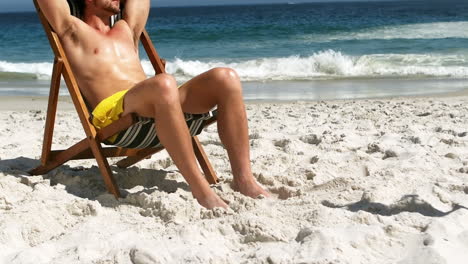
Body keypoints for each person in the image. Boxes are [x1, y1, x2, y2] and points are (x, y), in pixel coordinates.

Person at [37, 0, 269, 209]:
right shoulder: (71, 29)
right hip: (116, 117)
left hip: (159, 102)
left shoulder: (127, 29)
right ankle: (201, 190)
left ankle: (244, 179)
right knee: (164, 83)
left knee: (225, 78)